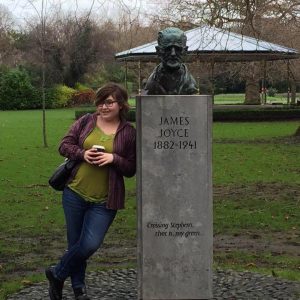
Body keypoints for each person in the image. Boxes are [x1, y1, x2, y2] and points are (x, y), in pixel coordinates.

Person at [45, 83, 136, 300]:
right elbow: (64, 145)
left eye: (109, 102)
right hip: (74, 193)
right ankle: (79, 289)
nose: (103, 107)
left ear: (121, 104)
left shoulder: (129, 132)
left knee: (89, 244)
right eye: (100, 102)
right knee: (75, 242)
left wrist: (114, 159)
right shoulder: (86, 121)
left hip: (105, 199)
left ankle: (56, 273)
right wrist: (83, 154)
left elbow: (132, 168)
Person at [143, 27, 197, 95]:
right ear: (158, 51)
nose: (173, 54)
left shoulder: (190, 84)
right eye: (167, 49)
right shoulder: (151, 84)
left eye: (178, 49)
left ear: (185, 51)